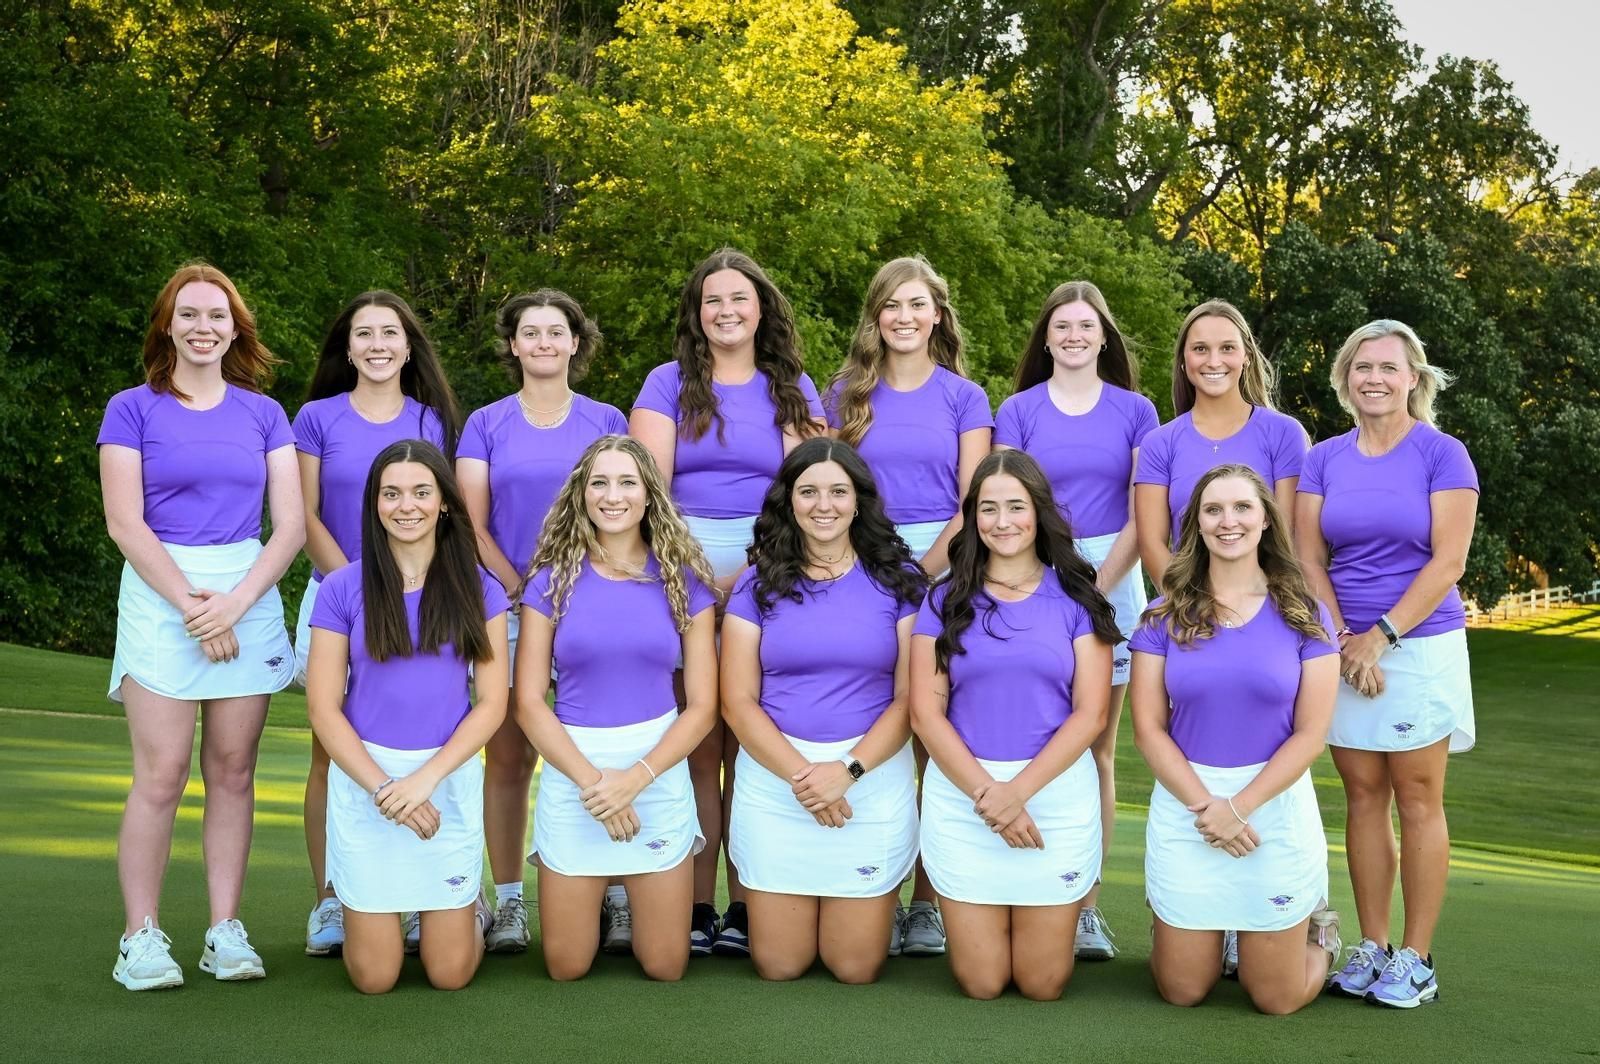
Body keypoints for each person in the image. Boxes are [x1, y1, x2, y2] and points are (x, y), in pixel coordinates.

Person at [98, 262, 304, 990]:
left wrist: (234, 604)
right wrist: (194, 606)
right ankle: (140, 938)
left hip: (245, 590)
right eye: (188, 314)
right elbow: (125, 524)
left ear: (235, 329)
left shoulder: (264, 414)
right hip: (161, 595)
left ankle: (225, 930)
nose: (203, 327)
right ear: (167, 325)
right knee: (161, 775)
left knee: (233, 771)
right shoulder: (131, 408)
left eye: (217, 316)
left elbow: (290, 527)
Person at [630, 248, 824, 956]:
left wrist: (751, 572)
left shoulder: (791, 386)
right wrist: (693, 575)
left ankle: (745, 903)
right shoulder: (667, 382)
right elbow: (650, 490)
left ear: (761, 308)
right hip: (675, 573)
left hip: (769, 571)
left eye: (739, 297)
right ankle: (692, 903)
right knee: (696, 744)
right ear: (697, 313)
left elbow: (809, 489)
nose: (726, 310)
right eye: (712, 300)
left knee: (747, 745)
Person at [1294, 320, 1478, 1009]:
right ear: (1346, 378)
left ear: (1413, 379)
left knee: (1417, 797)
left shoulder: (1443, 454)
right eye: (1362, 367)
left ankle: (1417, 958)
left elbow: (1448, 561)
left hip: (1420, 647)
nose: (1374, 378)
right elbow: (1309, 558)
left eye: (1388, 367)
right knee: (1363, 794)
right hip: (1344, 648)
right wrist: (1345, 638)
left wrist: (1381, 637)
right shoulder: (1324, 459)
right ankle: (1373, 946)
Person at [1128, 464, 1341, 1015]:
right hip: (1190, 806)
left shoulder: (1305, 612)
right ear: (1197, 525)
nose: (1229, 521)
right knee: (1182, 990)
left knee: (1275, 997)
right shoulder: (1162, 613)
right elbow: (1148, 729)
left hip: (1270, 807)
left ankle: (1320, 936)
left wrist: (1239, 808)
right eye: (1214, 510)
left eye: (1243, 507)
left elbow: (1311, 735)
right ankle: (1196, 932)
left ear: (1266, 520)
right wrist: (1209, 809)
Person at [824, 255, 991, 956]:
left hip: (946, 568)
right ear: (876, 315)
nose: (904, 316)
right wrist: (877, 570)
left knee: (934, 731)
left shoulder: (965, 397)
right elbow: (830, 488)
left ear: (937, 315)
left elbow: (973, 502)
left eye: (917, 304)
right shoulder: (845, 394)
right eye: (892, 304)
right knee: (878, 726)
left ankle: (925, 904)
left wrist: (920, 574)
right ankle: (873, 890)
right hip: (862, 565)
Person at [909, 450, 1118, 1000]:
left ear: (1038, 511)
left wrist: (1016, 794)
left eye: (1016, 507)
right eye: (988, 508)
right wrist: (989, 795)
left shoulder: (1078, 597)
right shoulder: (943, 599)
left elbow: (1091, 715)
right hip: (967, 796)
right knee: (981, 982)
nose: (1003, 521)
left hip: (1051, 797)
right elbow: (925, 713)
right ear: (973, 517)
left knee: (1042, 983)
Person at [456, 289, 628, 953]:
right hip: (509, 604)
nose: (544, 342)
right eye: (531, 332)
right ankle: (508, 902)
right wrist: (522, 586)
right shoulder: (486, 423)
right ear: (513, 345)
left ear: (575, 343)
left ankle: (617, 896)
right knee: (508, 755)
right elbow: (470, 523)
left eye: (557, 331)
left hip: (595, 602)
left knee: (603, 747)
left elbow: (625, 508)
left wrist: (576, 586)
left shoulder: (606, 419)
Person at [993, 280, 1159, 961]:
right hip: (1029, 572)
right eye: (1062, 325)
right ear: (1047, 337)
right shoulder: (1017, 409)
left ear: (1103, 336)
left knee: (1095, 749)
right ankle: (1015, 892)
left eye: (1086, 325)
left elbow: (1144, 511)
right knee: (1029, 738)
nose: (1074, 336)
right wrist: (1046, 580)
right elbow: (1007, 499)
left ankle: (1085, 905)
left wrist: (1096, 586)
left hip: (1110, 580)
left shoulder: (1137, 410)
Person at [293, 290, 462, 957]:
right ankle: (331, 898)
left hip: (424, 603)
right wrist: (360, 589)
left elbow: (440, 510)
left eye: (390, 333)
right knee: (330, 752)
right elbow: (303, 515)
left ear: (408, 346)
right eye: (363, 334)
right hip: (338, 598)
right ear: (347, 347)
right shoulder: (316, 417)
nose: (377, 345)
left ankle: (420, 896)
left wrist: (402, 589)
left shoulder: (432, 420)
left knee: (426, 734)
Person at [305, 440, 508, 994]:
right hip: (367, 783)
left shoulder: (479, 588)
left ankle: (471, 907)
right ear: (375, 504)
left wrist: (424, 781)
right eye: (391, 493)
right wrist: (385, 789)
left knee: (449, 973)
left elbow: (492, 703)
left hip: (444, 780)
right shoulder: (342, 588)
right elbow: (323, 707)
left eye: (421, 492)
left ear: (443, 503)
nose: (406, 506)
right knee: (375, 978)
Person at [722, 438, 926, 982]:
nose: (824, 505)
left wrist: (846, 772)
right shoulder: (756, 583)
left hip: (867, 780)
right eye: (808, 492)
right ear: (789, 502)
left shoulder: (900, 581)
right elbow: (737, 701)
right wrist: (805, 779)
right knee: (779, 964)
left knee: (853, 966)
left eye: (838, 492)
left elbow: (910, 699)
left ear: (858, 501)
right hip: (779, 781)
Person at [514, 435, 718, 981]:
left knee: (666, 966)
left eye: (627, 482)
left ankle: (625, 903)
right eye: (599, 482)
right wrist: (597, 785)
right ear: (581, 493)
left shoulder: (683, 580)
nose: (613, 495)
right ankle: (604, 905)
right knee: (566, 966)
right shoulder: (551, 580)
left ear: (649, 494)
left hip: (655, 771)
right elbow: (529, 703)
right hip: (575, 773)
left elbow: (703, 706)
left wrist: (634, 780)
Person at [1134, 300, 1307, 588]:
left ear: (1246, 356)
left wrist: (1254, 606)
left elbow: (1290, 538)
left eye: (1227, 348)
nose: (1214, 361)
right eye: (1200, 349)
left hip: (1267, 601)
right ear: (1183, 359)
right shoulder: (1159, 443)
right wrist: (1190, 605)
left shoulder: (1284, 433)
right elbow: (1152, 545)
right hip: (1188, 605)